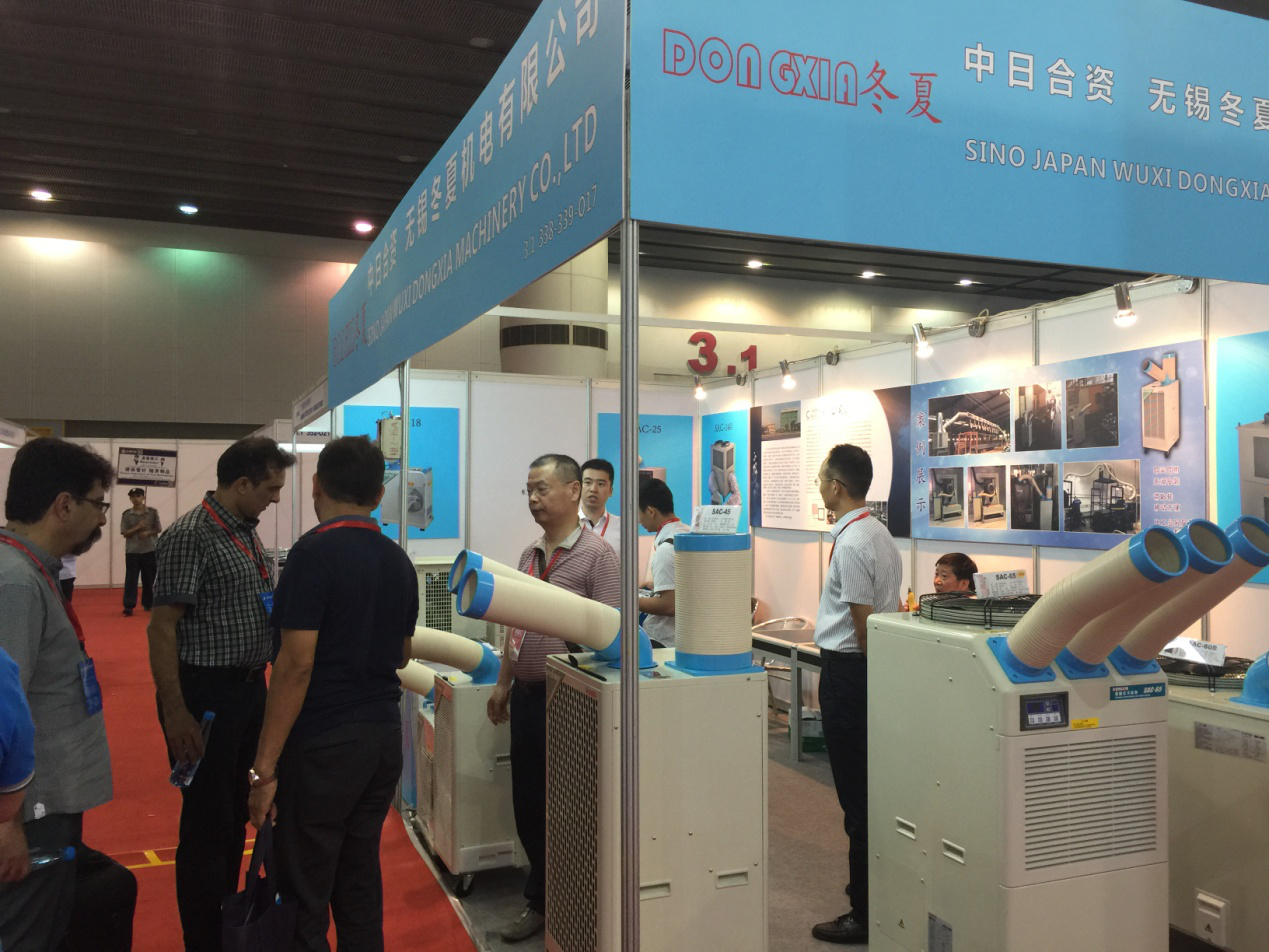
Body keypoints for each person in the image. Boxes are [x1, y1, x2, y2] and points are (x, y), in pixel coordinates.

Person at [247, 436, 418, 951]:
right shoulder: (398, 560)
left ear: (316, 484)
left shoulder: (312, 553)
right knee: (358, 874)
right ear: (379, 493)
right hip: (382, 738)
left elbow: (295, 665)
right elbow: (403, 654)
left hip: (324, 743)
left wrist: (264, 769)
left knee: (304, 884)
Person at [148, 436, 295, 952]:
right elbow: (162, 627)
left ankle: (226, 925)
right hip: (205, 697)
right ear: (242, 484)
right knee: (207, 829)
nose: (276, 498)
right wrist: (175, 712)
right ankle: (203, 939)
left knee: (235, 818)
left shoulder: (244, 532)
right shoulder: (192, 535)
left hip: (249, 691)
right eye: (271, 488)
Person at [0, 437, 137, 951]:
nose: (102, 519)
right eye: (98, 504)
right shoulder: (15, 583)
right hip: (27, 813)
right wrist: (5, 825)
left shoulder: (27, 572)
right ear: (63, 505)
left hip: (39, 805)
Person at [487, 454, 619, 943]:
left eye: (542, 489)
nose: (534, 499)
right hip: (526, 697)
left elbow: (612, 635)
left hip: (570, 700)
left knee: (568, 805)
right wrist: (504, 681)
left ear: (573, 490)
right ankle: (543, 899)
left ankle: (571, 900)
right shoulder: (529, 554)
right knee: (528, 800)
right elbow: (515, 623)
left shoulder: (598, 556)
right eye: (529, 490)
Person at [811, 443, 902, 946]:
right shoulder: (878, 533)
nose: (819, 486)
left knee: (857, 798)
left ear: (836, 486)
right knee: (870, 792)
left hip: (851, 674)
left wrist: (866, 684)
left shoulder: (850, 543)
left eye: (821, 479)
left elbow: (864, 628)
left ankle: (865, 913)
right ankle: (875, 897)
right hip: (870, 671)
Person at [636, 477, 690, 648]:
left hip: (665, 642)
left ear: (650, 512)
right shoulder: (687, 534)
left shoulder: (665, 550)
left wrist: (630, 601)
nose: (638, 520)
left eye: (639, 513)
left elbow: (668, 605)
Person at [120, 487, 161, 616]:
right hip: (133, 551)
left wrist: (148, 533)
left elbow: (158, 529)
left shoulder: (152, 512)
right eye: (132, 496)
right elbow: (124, 533)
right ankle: (129, 605)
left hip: (149, 549)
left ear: (143, 497)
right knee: (131, 579)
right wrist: (138, 527)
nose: (135, 499)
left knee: (149, 579)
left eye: (138, 496)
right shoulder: (127, 514)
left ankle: (148, 603)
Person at [579, 458, 621, 558]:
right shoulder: (566, 525)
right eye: (588, 482)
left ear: (610, 491)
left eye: (601, 484)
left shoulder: (623, 528)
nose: (593, 489)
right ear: (579, 487)